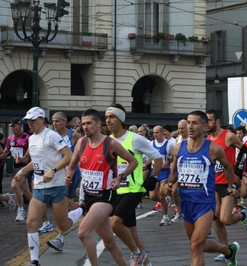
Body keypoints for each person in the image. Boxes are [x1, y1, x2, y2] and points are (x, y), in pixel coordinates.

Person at [163, 110, 240, 266]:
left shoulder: (213, 149)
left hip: (205, 203)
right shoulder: (178, 148)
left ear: (205, 126)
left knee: (195, 245)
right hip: (186, 202)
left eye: (194, 123)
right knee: (198, 245)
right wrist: (168, 184)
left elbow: (227, 167)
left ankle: (227, 251)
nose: (190, 126)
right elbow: (174, 172)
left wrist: (231, 185)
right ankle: (229, 251)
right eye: (188, 122)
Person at [65, 108, 138, 266]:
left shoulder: (110, 144)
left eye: (89, 123)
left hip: (106, 196)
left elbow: (134, 162)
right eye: (83, 124)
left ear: (98, 124)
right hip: (89, 196)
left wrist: (120, 177)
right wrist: (69, 176)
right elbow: (71, 166)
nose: (85, 127)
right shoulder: (81, 143)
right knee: (109, 242)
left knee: (83, 233)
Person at [15, 107, 82, 266]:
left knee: (63, 224)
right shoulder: (32, 139)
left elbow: (69, 156)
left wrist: (53, 170)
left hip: (57, 186)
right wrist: (23, 170)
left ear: (41, 119)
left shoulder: (52, 135)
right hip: (39, 188)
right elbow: (36, 161)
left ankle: (82, 209)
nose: (30, 123)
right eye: (28, 121)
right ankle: (34, 260)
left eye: (33, 120)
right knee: (31, 222)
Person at [105, 103, 162, 266]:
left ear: (121, 119)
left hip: (134, 188)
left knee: (115, 223)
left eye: (112, 117)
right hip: (116, 190)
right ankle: (147, 263)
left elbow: (157, 157)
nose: (108, 121)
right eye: (106, 118)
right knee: (132, 233)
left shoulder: (135, 139)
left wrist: (154, 177)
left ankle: (136, 254)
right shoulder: (108, 141)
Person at [206, 109, 247, 262]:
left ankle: (243, 215)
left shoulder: (228, 136)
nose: (206, 124)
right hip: (213, 184)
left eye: (209, 120)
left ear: (218, 121)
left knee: (225, 218)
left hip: (227, 183)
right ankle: (226, 250)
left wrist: (244, 174)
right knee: (217, 220)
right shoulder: (207, 139)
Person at [46, 111, 83, 249]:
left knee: (64, 201)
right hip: (57, 172)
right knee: (69, 203)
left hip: (72, 172)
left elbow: (83, 150)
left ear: (65, 122)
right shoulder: (52, 135)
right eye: (53, 121)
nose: (55, 124)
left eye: (58, 121)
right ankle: (82, 208)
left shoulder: (73, 135)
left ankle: (60, 238)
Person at [0, 117, 31, 221]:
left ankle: (20, 210)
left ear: (20, 126)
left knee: (14, 185)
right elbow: (6, 151)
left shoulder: (27, 138)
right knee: (25, 190)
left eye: (14, 126)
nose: (12, 128)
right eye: (11, 126)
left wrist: (23, 159)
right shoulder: (10, 138)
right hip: (15, 166)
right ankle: (37, 208)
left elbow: (31, 154)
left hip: (26, 166)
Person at [148, 125, 174, 225]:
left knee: (161, 195)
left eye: (157, 132)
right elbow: (151, 156)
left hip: (165, 172)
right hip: (154, 171)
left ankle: (165, 217)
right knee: (153, 196)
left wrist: (168, 162)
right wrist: (146, 165)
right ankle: (166, 202)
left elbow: (174, 157)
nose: (155, 135)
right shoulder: (151, 143)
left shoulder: (169, 144)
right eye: (154, 133)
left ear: (162, 133)